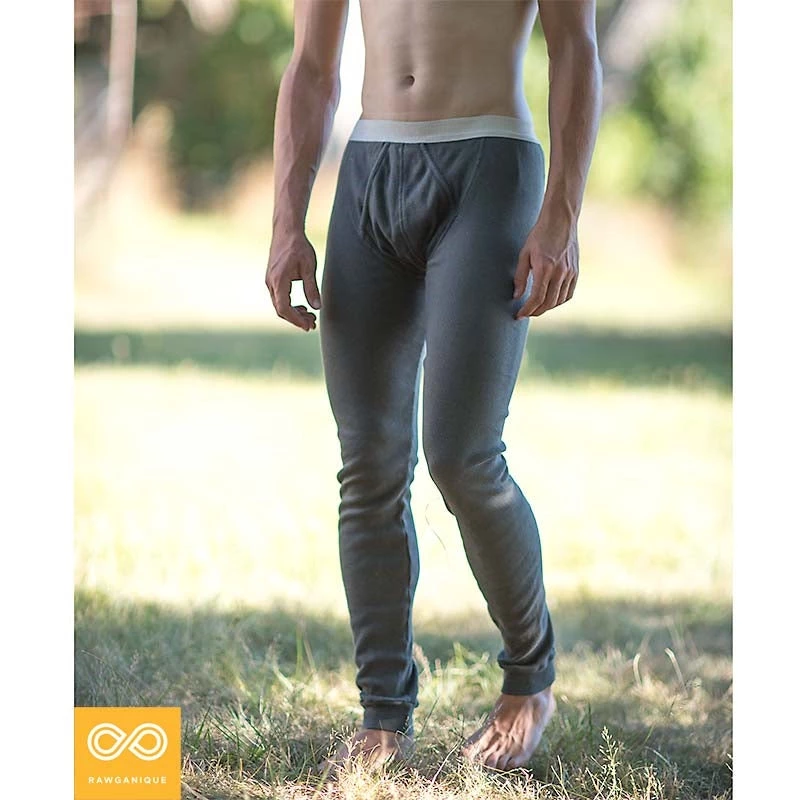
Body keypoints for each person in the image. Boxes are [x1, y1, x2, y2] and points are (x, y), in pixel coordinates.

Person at [266, 0, 601, 773]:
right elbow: (312, 68)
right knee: (369, 466)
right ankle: (383, 715)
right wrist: (287, 223)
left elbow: (576, 49)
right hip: (371, 169)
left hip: (490, 164)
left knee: (462, 456)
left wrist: (561, 215)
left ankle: (530, 680)